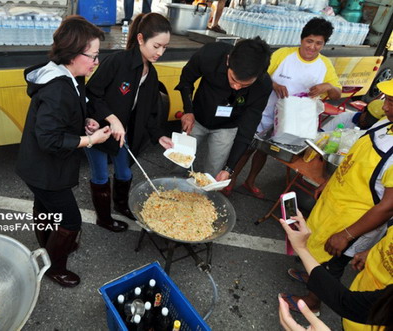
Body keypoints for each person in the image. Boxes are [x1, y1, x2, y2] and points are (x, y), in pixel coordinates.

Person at [280, 79, 393, 315]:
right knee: (316, 244)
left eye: (391, 102)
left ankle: (313, 302)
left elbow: (387, 207)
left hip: (353, 220)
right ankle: (313, 274)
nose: (384, 107)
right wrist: (330, 183)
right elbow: (354, 157)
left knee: (333, 261)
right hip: (336, 201)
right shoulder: (385, 123)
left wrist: (347, 234)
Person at [16, 16, 111, 287]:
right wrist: (89, 140)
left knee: (44, 208)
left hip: (38, 166)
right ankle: (55, 267)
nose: (96, 62)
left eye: (97, 55)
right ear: (71, 54)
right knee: (71, 219)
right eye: (92, 56)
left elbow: (61, 119)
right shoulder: (58, 88)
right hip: (44, 168)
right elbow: (49, 139)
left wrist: (83, 122)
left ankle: (50, 250)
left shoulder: (68, 76)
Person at [226, 17, 342, 198]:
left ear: (324, 44)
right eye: (309, 41)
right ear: (301, 39)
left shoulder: (325, 65)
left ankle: (250, 181)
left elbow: (337, 95)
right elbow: (258, 73)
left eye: (318, 43)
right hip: (264, 112)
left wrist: (327, 86)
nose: (312, 47)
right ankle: (229, 180)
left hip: (292, 122)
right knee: (246, 147)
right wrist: (273, 85)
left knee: (264, 151)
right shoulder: (284, 54)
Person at [85, 13, 173, 232]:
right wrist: (112, 118)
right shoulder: (117, 62)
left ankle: (122, 206)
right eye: (157, 46)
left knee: (125, 173)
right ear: (141, 39)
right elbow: (92, 94)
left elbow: (151, 112)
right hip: (98, 129)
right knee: (101, 175)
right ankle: (104, 218)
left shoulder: (151, 75)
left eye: (165, 47)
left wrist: (158, 135)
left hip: (123, 135)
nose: (160, 52)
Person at [175, 37, 272, 181]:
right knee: (179, 161)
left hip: (228, 126)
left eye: (244, 85)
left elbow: (247, 130)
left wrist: (229, 168)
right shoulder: (210, 54)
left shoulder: (263, 86)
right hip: (197, 117)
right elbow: (186, 80)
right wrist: (188, 110)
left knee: (213, 172)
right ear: (228, 61)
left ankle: (202, 198)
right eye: (233, 79)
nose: (236, 87)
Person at [279, 213, 392, 330]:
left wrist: (301, 248)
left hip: (365, 321)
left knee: (334, 266)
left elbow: (346, 303)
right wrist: (372, 251)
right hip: (361, 300)